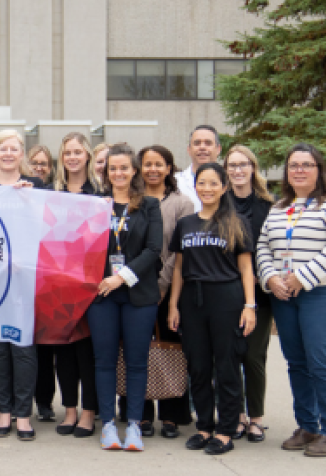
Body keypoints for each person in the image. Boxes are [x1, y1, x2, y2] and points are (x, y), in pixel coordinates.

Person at [256, 144, 326, 458]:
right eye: (294, 165)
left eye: (307, 164)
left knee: (320, 361)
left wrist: (304, 276)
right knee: (297, 363)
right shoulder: (279, 207)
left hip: (323, 294)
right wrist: (271, 278)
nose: (299, 170)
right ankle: (307, 425)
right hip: (285, 296)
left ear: (319, 169)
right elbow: (263, 246)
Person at [168, 162, 257, 456]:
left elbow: (246, 268)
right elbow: (179, 267)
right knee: (199, 366)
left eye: (213, 183)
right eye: (202, 183)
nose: (207, 189)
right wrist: (173, 305)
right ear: (196, 187)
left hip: (226, 299)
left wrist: (249, 306)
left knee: (228, 365)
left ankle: (226, 430)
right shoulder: (186, 224)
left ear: (224, 187)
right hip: (192, 301)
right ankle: (204, 426)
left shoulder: (236, 222)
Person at [87, 143, 162, 452]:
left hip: (138, 295)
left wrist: (122, 277)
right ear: (106, 171)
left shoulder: (148, 205)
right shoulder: (94, 204)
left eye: (124, 167)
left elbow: (154, 250)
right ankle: (107, 425)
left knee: (136, 362)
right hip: (101, 295)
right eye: (112, 168)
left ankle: (133, 425)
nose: (118, 173)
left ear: (134, 171)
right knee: (104, 362)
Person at [0, 130, 45, 441]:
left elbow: (47, 226)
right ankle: (3, 412)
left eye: (13, 149)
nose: (7, 153)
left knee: (24, 347)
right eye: (1, 148)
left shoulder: (36, 187)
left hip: (25, 277)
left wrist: (31, 198)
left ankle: (23, 414)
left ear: (22, 155)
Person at [40, 132, 101, 438]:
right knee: (63, 353)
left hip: (90, 284)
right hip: (58, 284)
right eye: (67, 153)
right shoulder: (51, 191)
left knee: (86, 353)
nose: (73, 157)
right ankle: (70, 411)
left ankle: (89, 413)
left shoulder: (100, 192)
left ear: (87, 155)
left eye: (78, 152)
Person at [137, 145, 195, 438]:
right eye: (147, 164)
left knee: (170, 347)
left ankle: (171, 415)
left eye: (159, 164)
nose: (153, 170)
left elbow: (179, 249)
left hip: (169, 289)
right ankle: (142, 414)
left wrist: (161, 284)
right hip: (135, 286)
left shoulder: (182, 203)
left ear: (169, 168)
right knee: (138, 350)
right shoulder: (133, 201)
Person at [224, 145, 275, 442]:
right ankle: (237, 416)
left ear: (253, 168)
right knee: (229, 356)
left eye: (243, 164)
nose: (238, 170)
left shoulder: (269, 205)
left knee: (254, 356)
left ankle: (256, 417)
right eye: (232, 165)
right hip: (226, 292)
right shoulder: (219, 202)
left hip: (260, 293)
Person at [175, 125, 222, 212]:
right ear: (189, 150)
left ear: (218, 149)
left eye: (208, 143)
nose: (202, 147)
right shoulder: (176, 182)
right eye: (197, 143)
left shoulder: (229, 181)